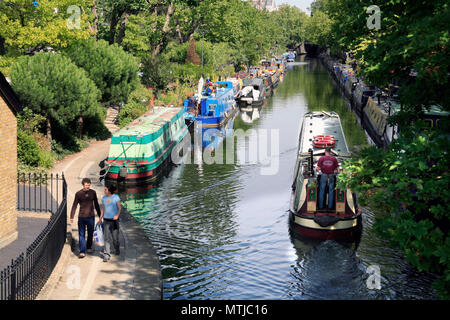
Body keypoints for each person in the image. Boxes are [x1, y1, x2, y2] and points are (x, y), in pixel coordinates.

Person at [70, 178, 101, 258]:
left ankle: (89, 247)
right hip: (81, 217)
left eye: (89, 185)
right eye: (86, 185)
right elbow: (74, 205)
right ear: (83, 185)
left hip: (91, 217)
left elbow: (97, 205)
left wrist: (100, 215)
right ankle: (82, 251)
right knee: (81, 234)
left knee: (91, 233)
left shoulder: (93, 193)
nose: (88, 186)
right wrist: (72, 216)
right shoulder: (78, 194)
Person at [98, 185, 122, 262]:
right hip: (106, 220)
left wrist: (117, 215)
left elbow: (119, 208)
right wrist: (100, 219)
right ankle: (106, 254)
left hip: (114, 221)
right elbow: (103, 209)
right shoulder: (104, 198)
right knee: (106, 238)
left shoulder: (116, 197)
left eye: (105, 189)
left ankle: (117, 248)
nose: (104, 190)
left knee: (115, 238)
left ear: (109, 190)